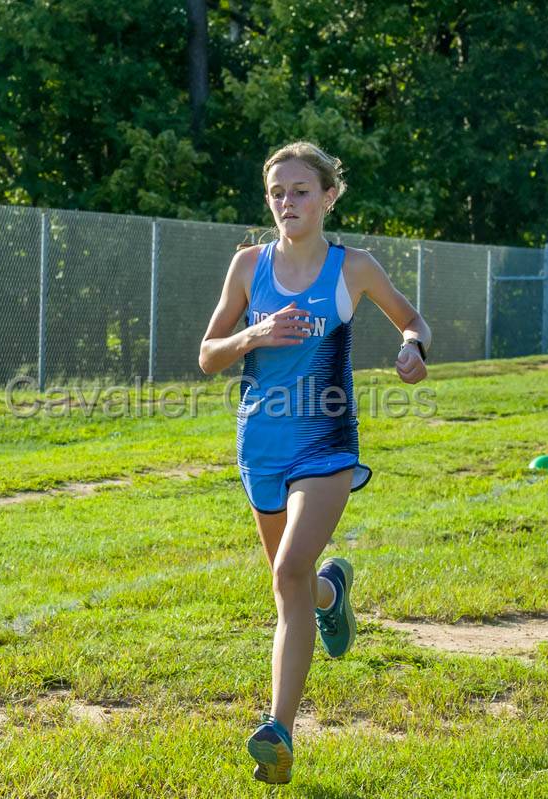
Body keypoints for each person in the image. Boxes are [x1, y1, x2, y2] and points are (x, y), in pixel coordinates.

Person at [198, 140, 433, 784]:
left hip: (326, 443)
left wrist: (413, 351)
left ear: (328, 196)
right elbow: (208, 354)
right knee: (297, 582)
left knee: (286, 572)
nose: (286, 202)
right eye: (277, 192)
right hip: (260, 448)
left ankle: (279, 731)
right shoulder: (248, 266)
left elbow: (412, 321)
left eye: (300, 191)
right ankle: (335, 594)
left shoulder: (353, 268)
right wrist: (254, 333)